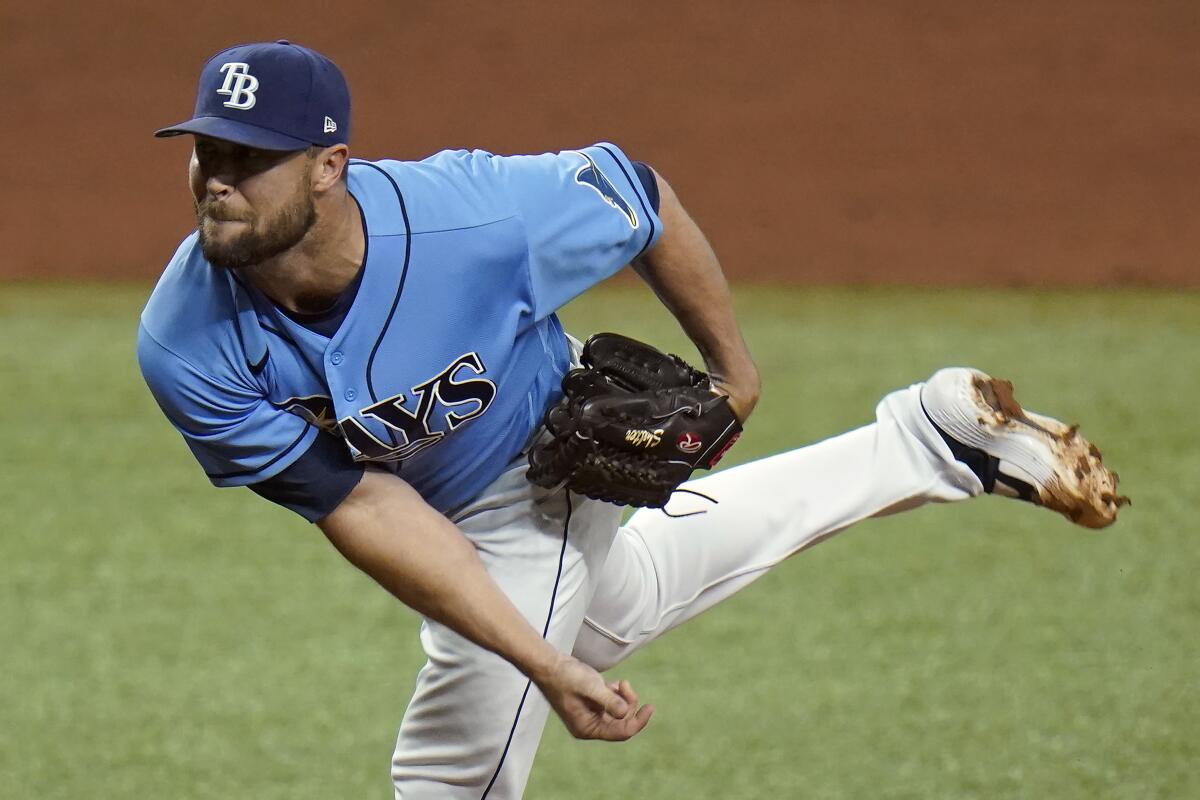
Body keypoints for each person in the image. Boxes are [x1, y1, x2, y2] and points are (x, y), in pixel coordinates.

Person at [137, 41, 1126, 799]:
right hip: (424, 506)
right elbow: (359, 504)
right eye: (206, 152)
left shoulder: (474, 220)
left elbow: (638, 194)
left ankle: (921, 444)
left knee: (452, 762)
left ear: (327, 166)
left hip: (542, 467)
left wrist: (735, 372)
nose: (218, 178)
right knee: (596, 613)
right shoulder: (185, 342)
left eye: (252, 157)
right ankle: (926, 440)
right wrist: (545, 657)